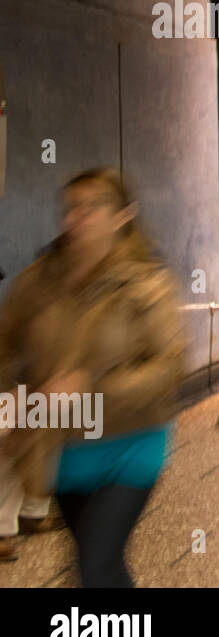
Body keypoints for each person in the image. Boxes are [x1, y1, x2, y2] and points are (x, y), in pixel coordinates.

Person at [0, 168, 186, 587]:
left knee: (96, 563)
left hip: (131, 444)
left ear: (123, 216)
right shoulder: (38, 282)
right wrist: (10, 397)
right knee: (93, 562)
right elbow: (4, 342)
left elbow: (169, 367)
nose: (76, 218)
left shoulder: (147, 284)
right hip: (62, 446)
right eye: (70, 208)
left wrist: (90, 389)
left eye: (92, 207)